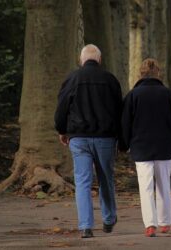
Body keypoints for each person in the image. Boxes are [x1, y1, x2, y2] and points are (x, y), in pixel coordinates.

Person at [54, 44, 122, 238]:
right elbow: (119, 110)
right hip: (105, 138)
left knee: (82, 181)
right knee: (105, 179)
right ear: (99, 60)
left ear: (81, 59)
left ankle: (85, 226)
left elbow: (62, 107)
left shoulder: (72, 78)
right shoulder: (110, 80)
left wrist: (62, 130)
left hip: (79, 138)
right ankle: (109, 219)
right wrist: (120, 136)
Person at [120, 58, 171, 237]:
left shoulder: (133, 96)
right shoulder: (169, 94)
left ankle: (150, 224)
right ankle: (165, 222)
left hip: (141, 147)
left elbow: (125, 123)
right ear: (158, 73)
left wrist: (124, 144)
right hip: (164, 146)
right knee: (164, 185)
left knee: (145, 187)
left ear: (140, 74)